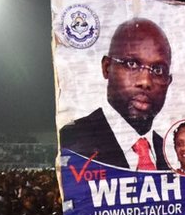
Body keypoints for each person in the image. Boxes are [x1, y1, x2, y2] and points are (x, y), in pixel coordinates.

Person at [59, 18, 173, 170]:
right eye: (132, 64)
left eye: (158, 70)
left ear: (168, 82)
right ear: (107, 67)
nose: (145, 81)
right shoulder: (73, 141)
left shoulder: (173, 155)